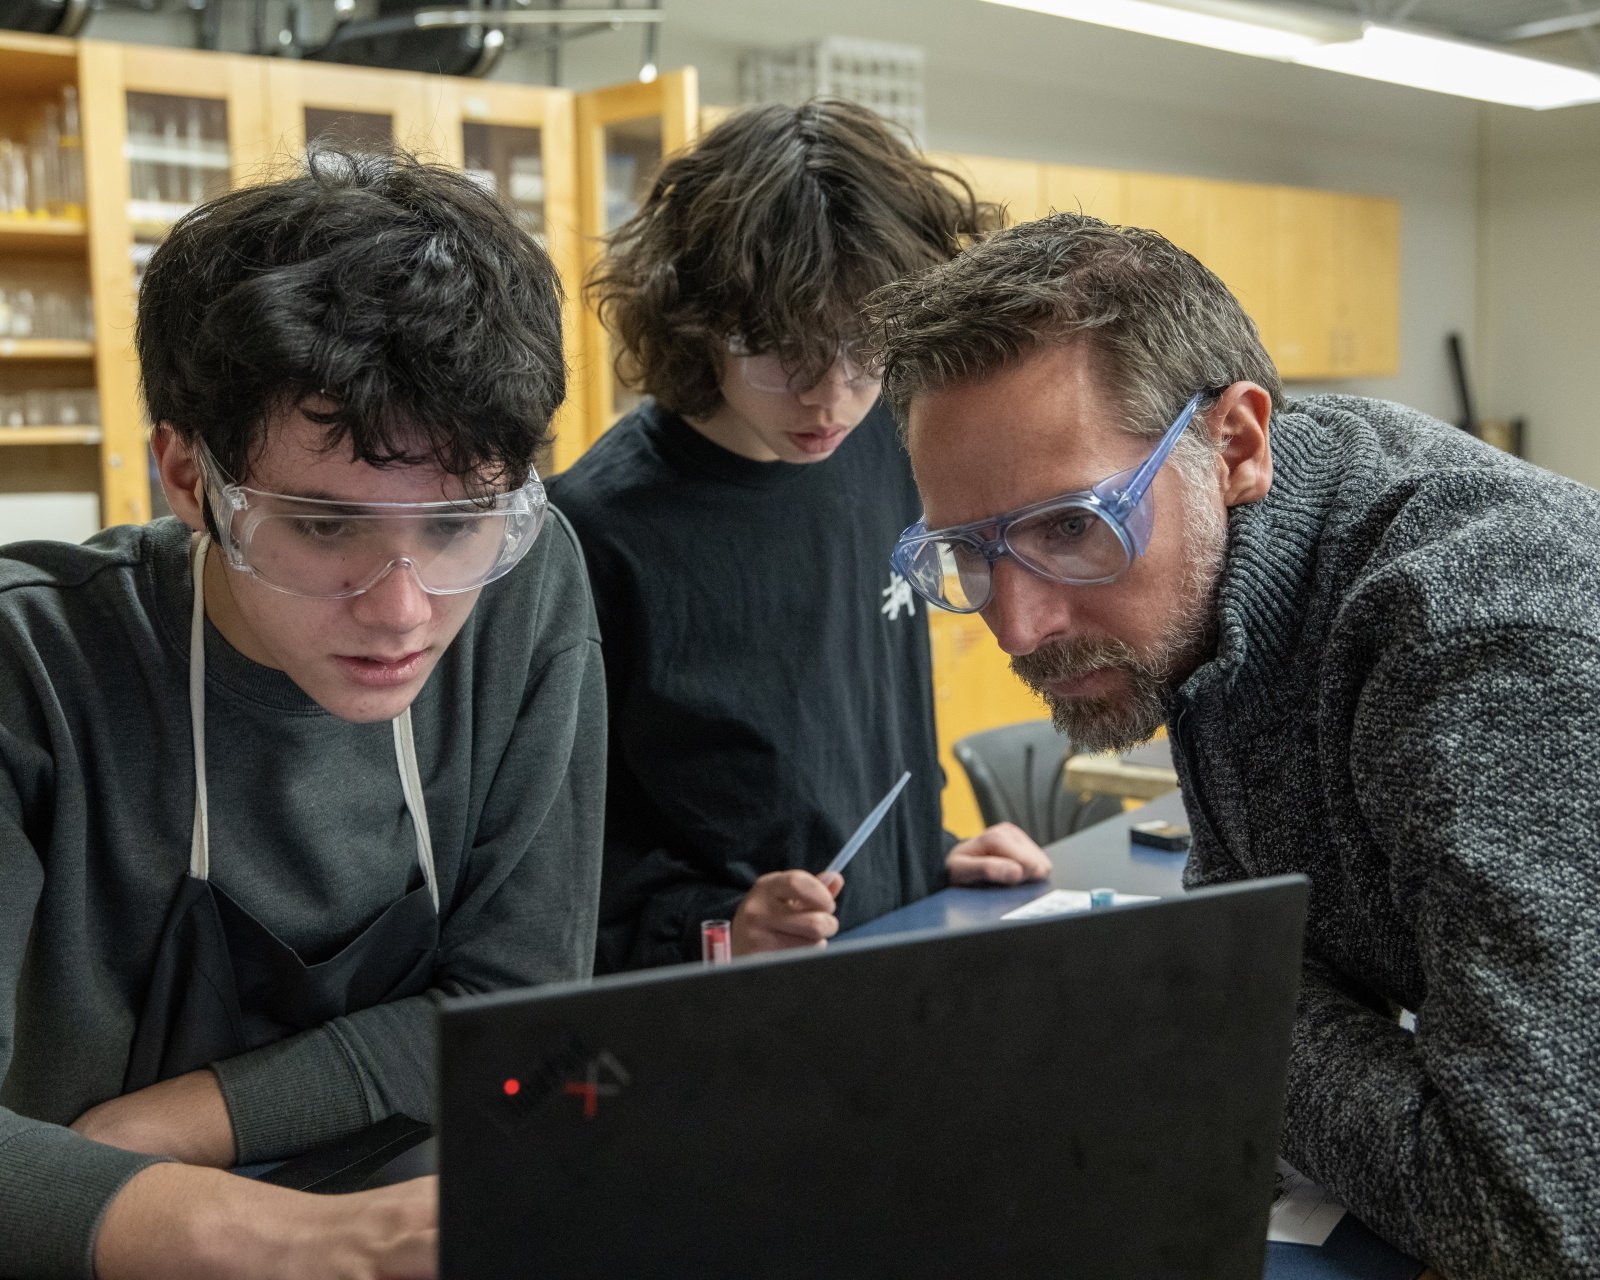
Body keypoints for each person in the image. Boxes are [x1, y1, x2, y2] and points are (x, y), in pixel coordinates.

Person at [867, 211, 1600, 1279]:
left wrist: (1202, 995)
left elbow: (1531, 1218)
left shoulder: (1479, 637)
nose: (1019, 627)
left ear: (1237, 444)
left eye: (1071, 526)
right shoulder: (1212, 575)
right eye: (967, 555)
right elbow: (1258, 918)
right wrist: (1234, 977)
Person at [0, 149, 605, 1280]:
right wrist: (309, 1242)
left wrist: (161, 1124)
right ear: (188, 476)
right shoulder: (31, 668)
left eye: (457, 524)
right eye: (326, 527)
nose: (405, 610)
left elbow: (514, 1006)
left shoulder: (529, 580)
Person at [551, 99, 1051, 970]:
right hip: (727, 1015)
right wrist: (718, 929)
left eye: (866, 350)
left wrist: (925, 855)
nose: (829, 401)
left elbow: (842, 737)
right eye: (782, 351)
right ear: (696, 315)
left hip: (900, 949)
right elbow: (563, 858)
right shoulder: (597, 531)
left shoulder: (893, 448)